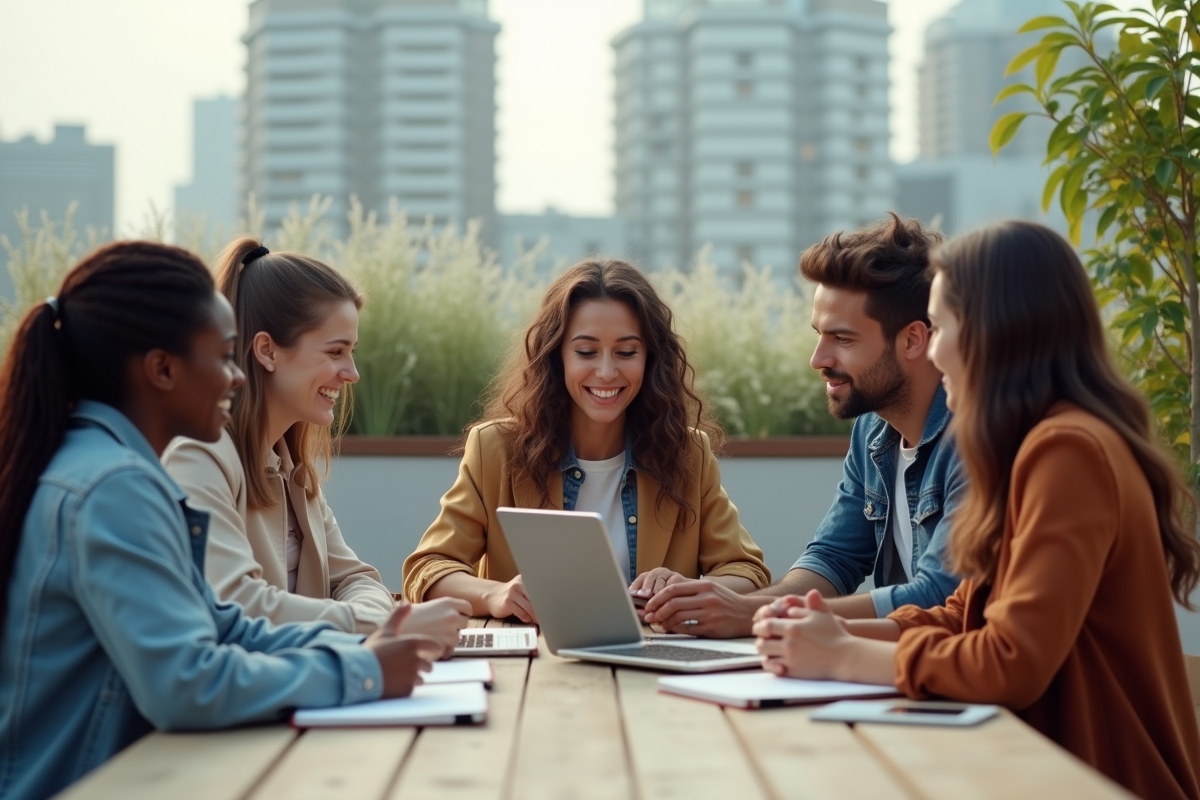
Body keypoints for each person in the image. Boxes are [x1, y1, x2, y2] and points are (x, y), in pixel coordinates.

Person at [754, 221, 1200, 799]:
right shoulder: (1030, 444)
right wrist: (819, 628)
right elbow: (964, 613)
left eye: (940, 327)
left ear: (995, 332)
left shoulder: (1068, 450)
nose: (933, 352)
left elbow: (1011, 661)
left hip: (1095, 780)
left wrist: (841, 655)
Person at [0, 242, 439, 800]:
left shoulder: (120, 472)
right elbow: (185, 681)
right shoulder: (115, 488)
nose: (236, 378)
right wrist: (361, 672)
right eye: (224, 357)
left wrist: (366, 651)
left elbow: (226, 625)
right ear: (162, 369)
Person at [645, 214, 963, 637]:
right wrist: (735, 607)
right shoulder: (873, 431)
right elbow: (833, 560)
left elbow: (942, 595)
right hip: (898, 670)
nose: (818, 359)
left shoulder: (973, 439)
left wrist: (759, 617)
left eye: (842, 339)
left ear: (913, 339)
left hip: (953, 684)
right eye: (819, 334)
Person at [402, 259, 770, 620]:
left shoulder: (688, 452)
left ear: (650, 358)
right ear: (556, 356)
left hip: (653, 663)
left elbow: (746, 572)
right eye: (586, 352)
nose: (607, 372)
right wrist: (495, 593)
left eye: (626, 352)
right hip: (533, 667)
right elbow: (429, 568)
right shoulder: (495, 448)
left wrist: (685, 592)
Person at [163, 239, 469, 651]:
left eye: (352, 351)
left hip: (306, 691)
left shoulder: (294, 471)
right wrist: (381, 625)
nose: (353, 373)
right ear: (267, 350)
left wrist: (377, 621)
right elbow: (238, 607)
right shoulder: (199, 459)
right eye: (335, 351)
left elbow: (356, 580)